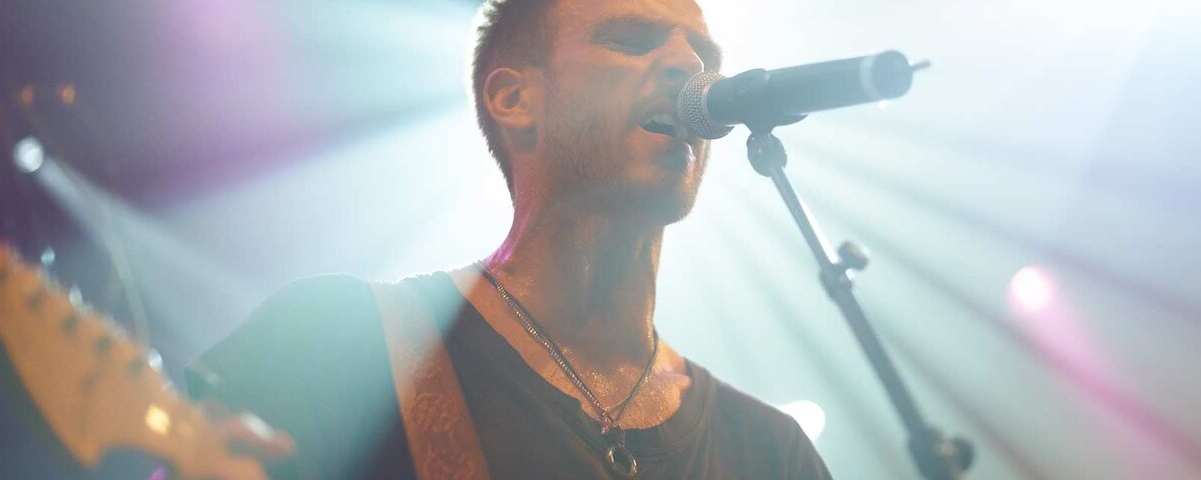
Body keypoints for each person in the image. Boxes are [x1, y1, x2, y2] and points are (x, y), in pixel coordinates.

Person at [185, 0, 834, 478]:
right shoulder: (339, 345)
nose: (689, 67)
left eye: (703, 56)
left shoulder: (771, 452)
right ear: (515, 99)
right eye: (633, 41)